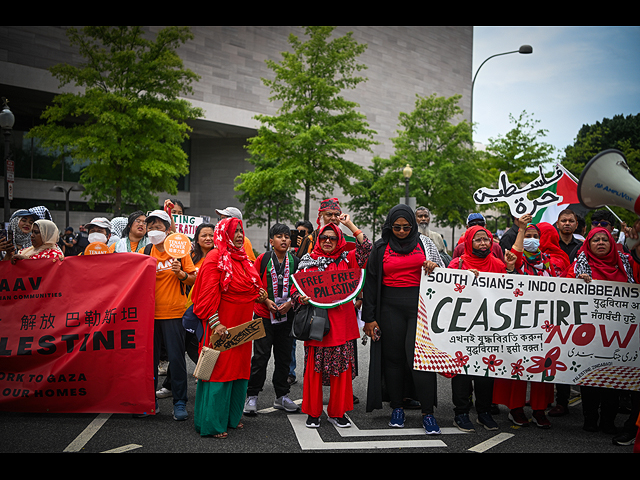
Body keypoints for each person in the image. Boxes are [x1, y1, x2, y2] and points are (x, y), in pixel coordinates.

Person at [362, 204, 444, 434]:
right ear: (389, 225)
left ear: (414, 225)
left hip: (420, 308)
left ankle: (428, 412)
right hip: (389, 308)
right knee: (394, 360)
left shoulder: (425, 244)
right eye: (396, 227)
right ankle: (397, 408)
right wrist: (369, 319)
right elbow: (370, 284)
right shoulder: (380, 248)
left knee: (419, 359)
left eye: (406, 227)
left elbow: (444, 271)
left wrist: (434, 266)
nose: (401, 231)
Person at [292, 214, 371, 429]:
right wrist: (301, 298)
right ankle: (314, 413)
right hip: (317, 324)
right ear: (318, 239)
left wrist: (348, 225)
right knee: (314, 372)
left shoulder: (348, 260)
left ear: (339, 241)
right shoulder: (307, 262)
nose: (328, 241)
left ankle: (338, 413)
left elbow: (367, 249)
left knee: (341, 372)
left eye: (333, 238)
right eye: (324, 237)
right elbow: (294, 292)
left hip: (342, 325)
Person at [190, 217, 266, 438]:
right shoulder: (215, 257)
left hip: (242, 327)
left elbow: (252, 289)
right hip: (221, 327)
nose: (240, 235)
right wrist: (215, 323)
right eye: (235, 231)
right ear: (224, 234)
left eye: (242, 231)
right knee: (219, 372)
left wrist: (261, 296)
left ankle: (232, 418)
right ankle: (212, 423)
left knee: (240, 372)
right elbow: (204, 297)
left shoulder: (243, 258)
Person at [492, 214, 565, 429]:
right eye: (527, 236)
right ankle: (515, 409)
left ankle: (539, 409)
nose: (531, 240)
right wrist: (521, 230)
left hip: (545, 323)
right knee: (517, 365)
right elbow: (515, 253)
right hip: (519, 322)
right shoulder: (518, 260)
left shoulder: (550, 263)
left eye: (535, 236)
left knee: (543, 366)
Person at [566, 226, 635, 435]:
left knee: (614, 380)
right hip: (588, 335)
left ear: (612, 243)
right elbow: (565, 291)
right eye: (595, 240)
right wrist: (578, 281)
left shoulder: (625, 264)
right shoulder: (579, 265)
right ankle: (590, 418)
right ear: (588, 244)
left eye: (604, 239)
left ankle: (608, 420)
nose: (600, 243)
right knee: (589, 379)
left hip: (619, 335)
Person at [448, 225, 506, 432]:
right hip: (462, 328)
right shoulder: (457, 264)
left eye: (486, 240)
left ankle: (484, 412)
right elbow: (446, 292)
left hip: (488, 328)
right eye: (478, 240)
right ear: (469, 243)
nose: (483, 244)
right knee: (461, 371)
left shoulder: (499, 265)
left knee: (486, 371)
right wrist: (462, 277)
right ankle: (461, 412)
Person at [140, 209, 197, 421]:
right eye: (151, 226)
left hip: (174, 314)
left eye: (159, 226)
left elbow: (193, 279)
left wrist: (180, 273)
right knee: (149, 361)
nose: (154, 230)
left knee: (176, 359)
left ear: (168, 229)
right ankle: (149, 402)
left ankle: (179, 402)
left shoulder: (180, 251)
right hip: (149, 316)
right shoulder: (146, 251)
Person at [244, 223, 301, 416]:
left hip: (287, 314)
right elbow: (253, 283)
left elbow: (300, 287)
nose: (284, 240)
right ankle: (252, 395)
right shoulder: (263, 259)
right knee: (260, 357)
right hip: (263, 314)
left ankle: (281, 396)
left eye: (287, 236)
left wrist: (291, 304)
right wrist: (266, 300)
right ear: (271, 241)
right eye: (279, 236)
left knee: (284, 357)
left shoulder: (295, 261)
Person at [156, 222, 216, 401]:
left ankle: (210, 381)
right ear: (196, 238)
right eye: (204, 235)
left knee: (207, 348)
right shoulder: (188, 255)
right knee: (179, 349)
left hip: (210, 311)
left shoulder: (219, 257)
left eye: (211, 235)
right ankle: (170, 385)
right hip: (189, 310)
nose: (208, 238)